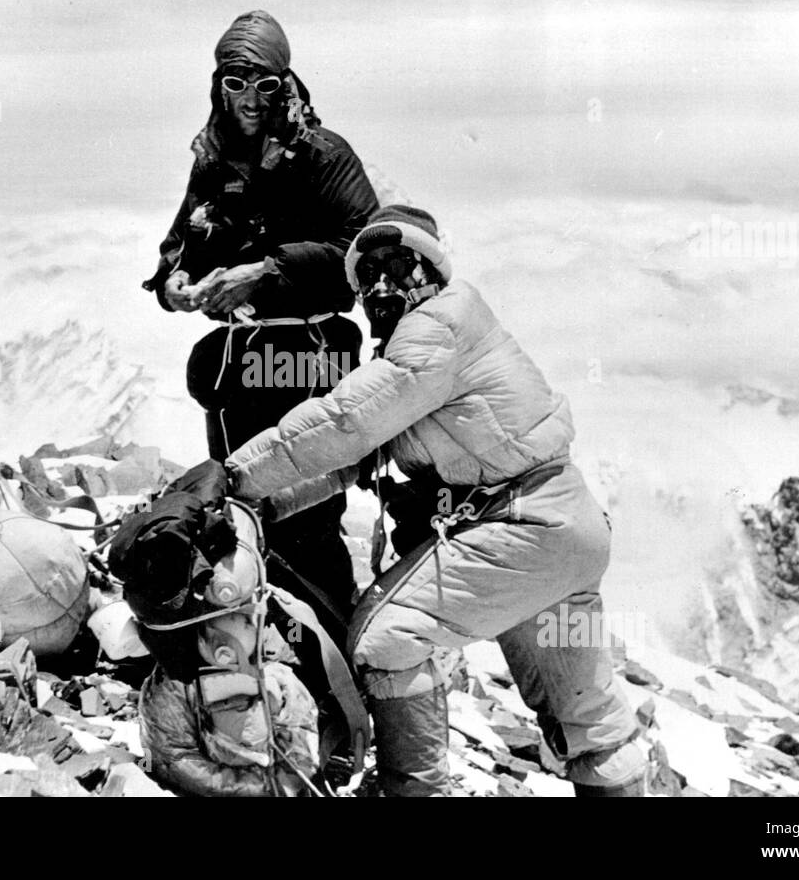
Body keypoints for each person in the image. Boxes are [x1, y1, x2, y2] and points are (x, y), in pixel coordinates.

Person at [225, 205, 646, 797]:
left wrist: (229, 476)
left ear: (432, 267)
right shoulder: (427, 348)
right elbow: (356, 455)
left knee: (385, 637)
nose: (380, 284)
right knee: (587, 718)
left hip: (521, 526)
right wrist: (262, 504)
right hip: (563, 531)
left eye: (397, 264)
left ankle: (412, 791)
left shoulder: (436, 328)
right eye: (365, 273)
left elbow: (345, 422)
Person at [143, 11, 379, 622]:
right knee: (239, 507)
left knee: (305, 515)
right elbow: (178, 248)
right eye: (235, 82)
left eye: (265, 85)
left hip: (307, 356)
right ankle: (263, 655)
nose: (249, 99)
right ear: (218, 84)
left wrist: (267, 270)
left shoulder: (324, 156)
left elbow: (364, 246)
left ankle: (331, 662)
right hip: (241, 362)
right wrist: (175, 285)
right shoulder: (213, 158)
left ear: (286, 84)